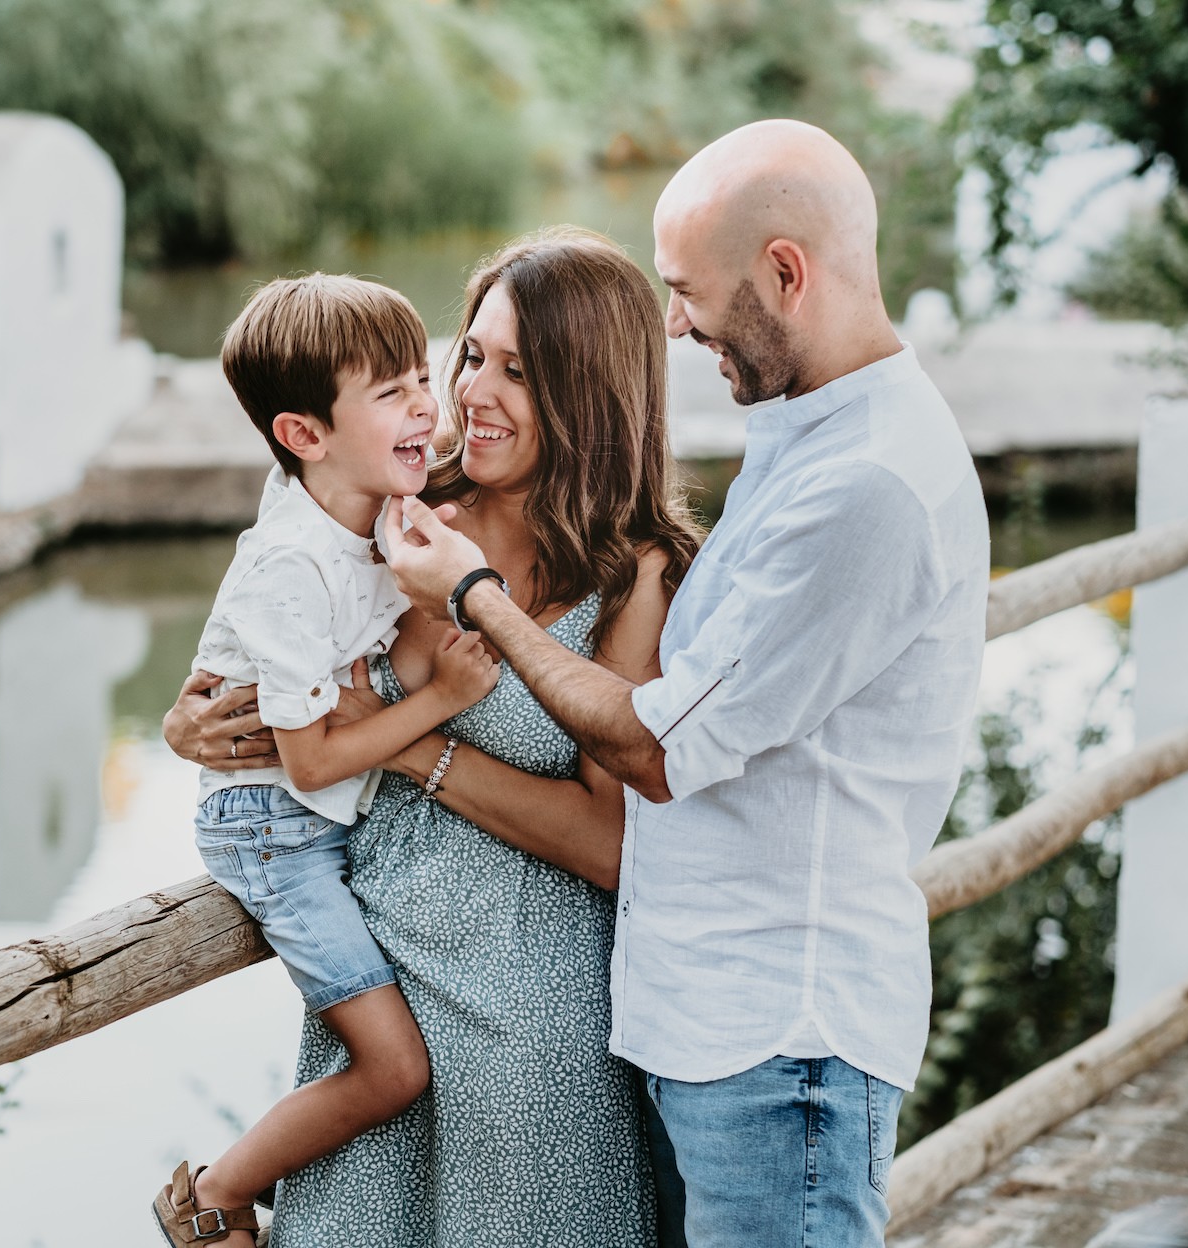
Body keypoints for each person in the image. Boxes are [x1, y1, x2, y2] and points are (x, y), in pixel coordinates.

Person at [383, 120, 991, 1248]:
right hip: (704, 1026)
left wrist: (477, 601)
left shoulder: (868, 483)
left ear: (784, 274)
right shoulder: (806, 436)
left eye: (685, 290)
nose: (672, 322)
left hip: (779, 1045)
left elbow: (657, 749)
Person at [166, 228, 704, 1247]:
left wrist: (414, 747)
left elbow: (615, 841)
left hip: (535, 1020)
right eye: (473, 355)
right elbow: (266, 645)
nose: (475, 393)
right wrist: (188, 722)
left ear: (592, 393)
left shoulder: (638, 574)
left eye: (520, 372)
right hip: (377, 982)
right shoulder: (393, 499)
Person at [153, 274, 503, 1248]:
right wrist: (442, 699)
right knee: (393, 1069)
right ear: (305, 435)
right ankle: (211, 1200)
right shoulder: (293, 568)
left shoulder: (372, 502)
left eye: (422, 377)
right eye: (392, 392)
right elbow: (308, 765)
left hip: (325, 815)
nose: (428, 407)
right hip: (276, 832)